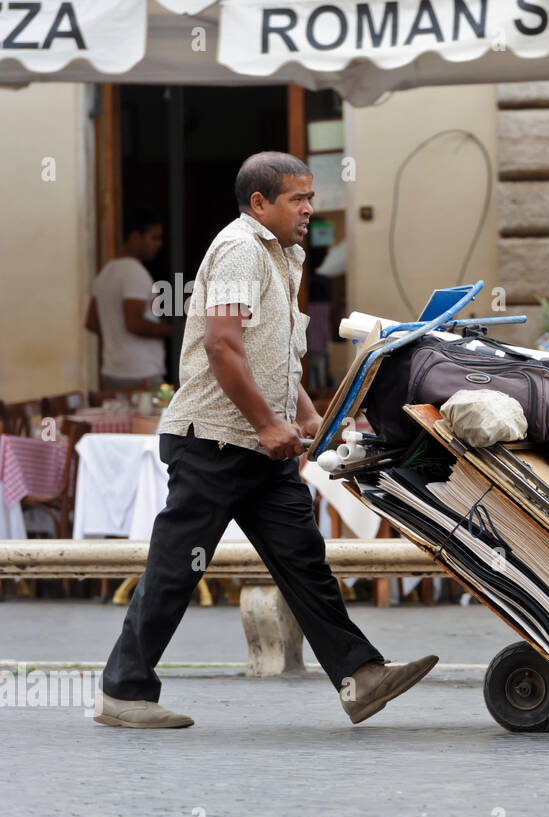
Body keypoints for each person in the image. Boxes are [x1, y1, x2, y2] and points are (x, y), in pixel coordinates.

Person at [96, 152, 437, 729]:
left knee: (305, 564)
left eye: (310, 196)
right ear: (260, 204)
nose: (310, 208)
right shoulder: (239, 249)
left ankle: (361, 677)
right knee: (178, 567)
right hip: (214, 442)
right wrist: (265, 424)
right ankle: (123, 692)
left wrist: (303, 415)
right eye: (297, 199)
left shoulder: (284, 256)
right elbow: (222, 346)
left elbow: (276, 356)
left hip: (259, 449)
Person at [84, 207, 172, 391]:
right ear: (135, 237)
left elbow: (91, 322)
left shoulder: (106, 272)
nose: (159, 244)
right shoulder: (134, 272)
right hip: (140, 372)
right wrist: (175, 330)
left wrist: (115, 335)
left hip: (113, 371)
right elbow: (134, 323)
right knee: (149, 420)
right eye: (153, 237)